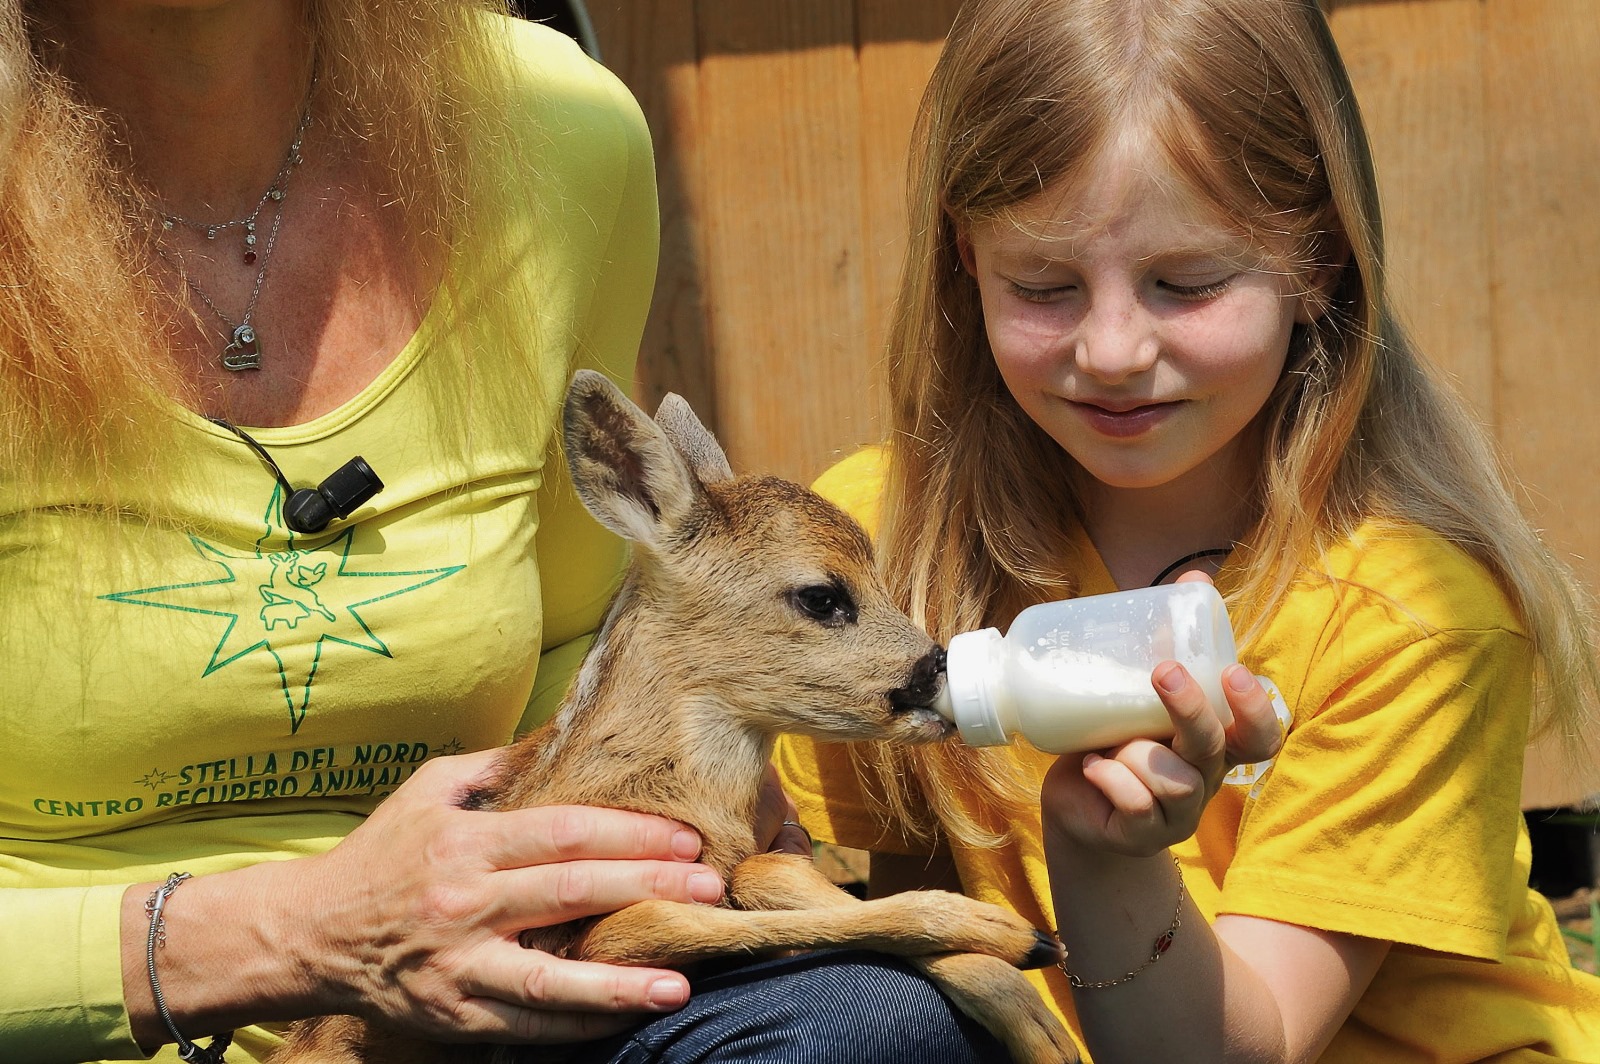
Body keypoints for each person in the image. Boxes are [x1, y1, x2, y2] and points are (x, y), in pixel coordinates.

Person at [0, 3, 1001, 1063]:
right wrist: (295, 932)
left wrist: (686, 812)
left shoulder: (551, 129)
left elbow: (568, 635)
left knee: (867, 1034)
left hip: (505, 985)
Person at [776, 0, 1600, 1060]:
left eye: (1187, 282)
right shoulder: (885, 549)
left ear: (1322, 264)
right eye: (1044, 283)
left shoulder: (1410, 615)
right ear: (962, 256)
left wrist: (1107, 858)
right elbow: (914, 971)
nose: (1113, 348)